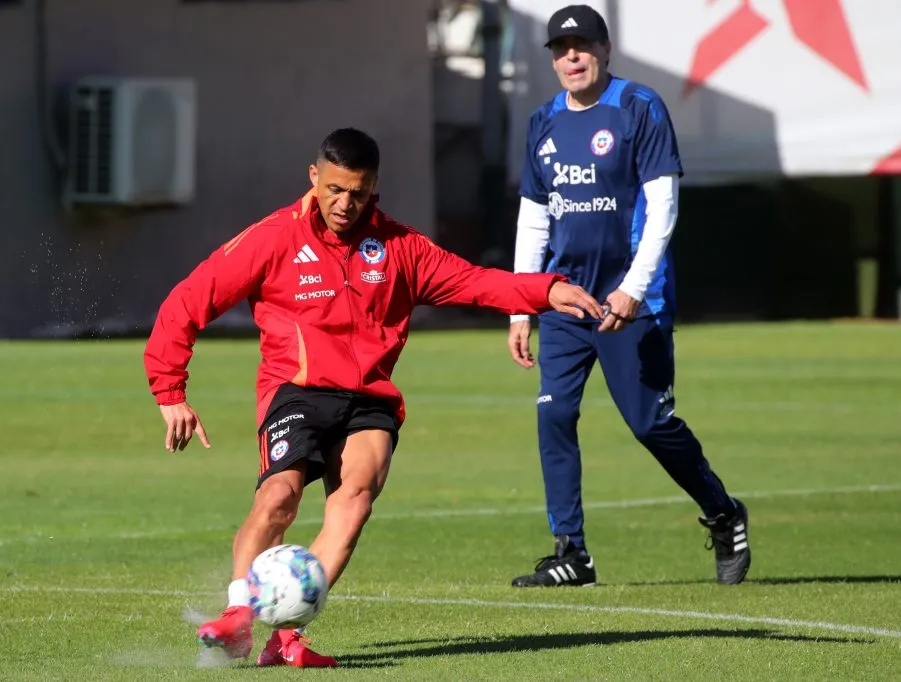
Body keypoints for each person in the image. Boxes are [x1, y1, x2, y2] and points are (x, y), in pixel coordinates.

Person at [143, 127, 604, 667]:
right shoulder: (274, 239)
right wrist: (170, 390)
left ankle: (286, 640)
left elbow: (475, 281)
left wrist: (545, 290)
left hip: (369, 401)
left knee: (354, 501)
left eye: (357, 193)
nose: (344, 204)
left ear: (374, 187)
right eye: (334, 189)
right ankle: (239, 614)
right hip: (296, 392)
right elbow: (188, 300)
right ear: (314, 178)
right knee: (278, 500)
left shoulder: (399, 248)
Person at [507, 4, 751, 588]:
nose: (572, 56)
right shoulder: (542, 121)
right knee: (554, 415)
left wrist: (634, 290)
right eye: (561, 48)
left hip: (633, 305)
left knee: (649, 424)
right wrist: (521, 303)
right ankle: (572, 553)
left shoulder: (638, 107)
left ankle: (723, 512)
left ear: (604, 49)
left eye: (582, 45)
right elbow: (534, 220)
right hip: (566, 302)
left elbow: (663, 208)